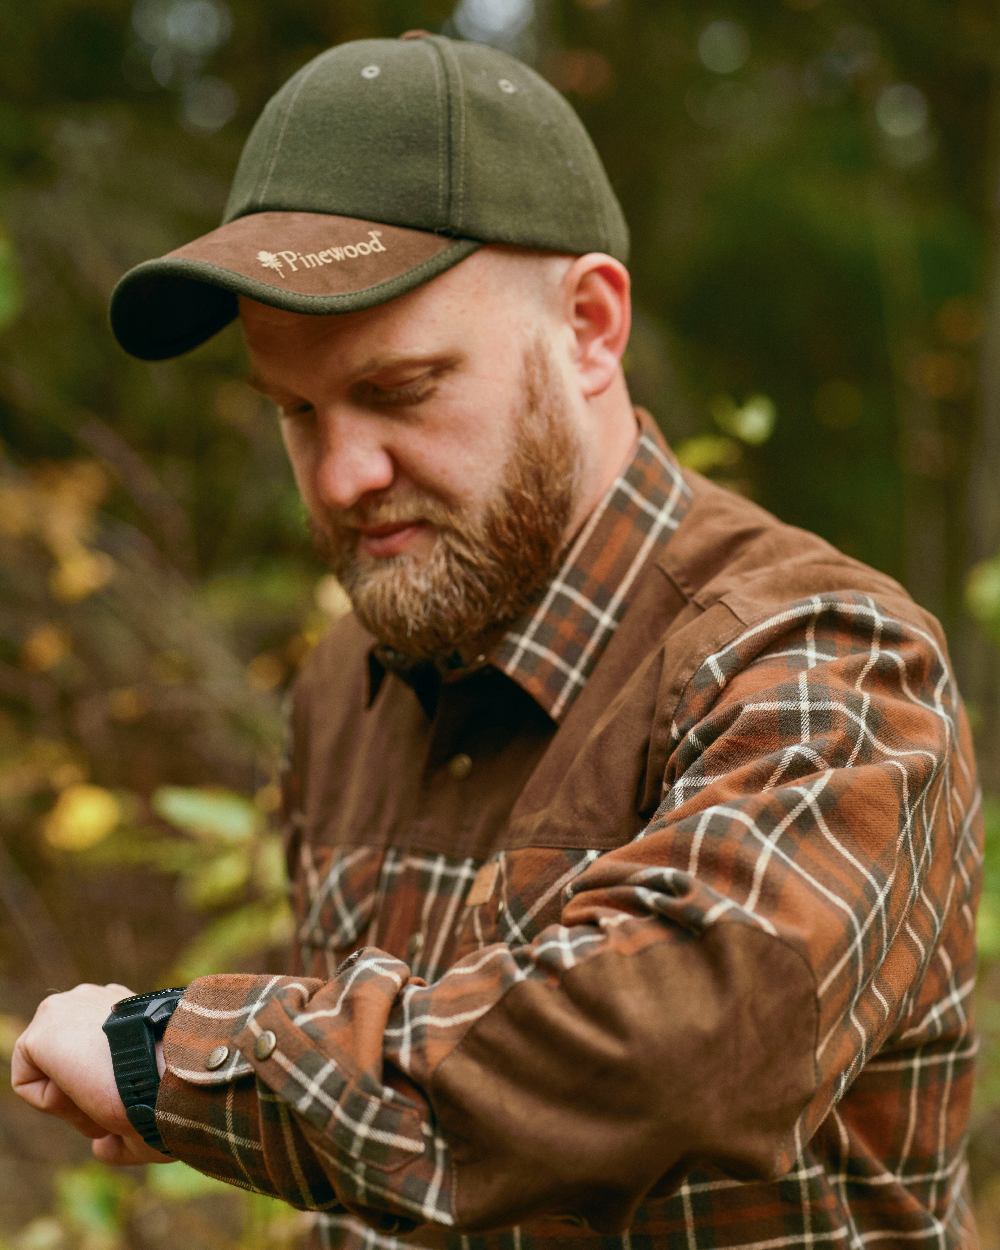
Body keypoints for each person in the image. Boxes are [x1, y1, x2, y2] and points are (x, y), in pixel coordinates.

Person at [12, 30, 984, 1250]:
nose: (345, 473)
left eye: (403, 389)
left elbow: (666, 1053)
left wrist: (173, 1059)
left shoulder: (819, 660)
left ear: (588, 326)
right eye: (296, 413)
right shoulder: (344, 685)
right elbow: (384, 1192)